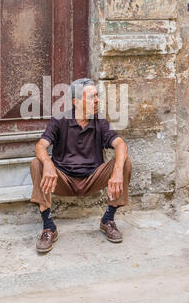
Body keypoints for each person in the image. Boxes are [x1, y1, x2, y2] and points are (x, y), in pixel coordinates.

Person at [30, 78, 132, 253]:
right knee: (36, 163)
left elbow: (120, 145)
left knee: (124, 162)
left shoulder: (100, 122)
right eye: (92, 97)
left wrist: (116, 171)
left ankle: (108, 219)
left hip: (93, 178)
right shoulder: (60, 120)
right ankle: (49, 227)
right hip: (63, 180)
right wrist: (47, 163)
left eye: (97, 96)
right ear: (76, 102)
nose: (97, 100)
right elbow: (40, 146)